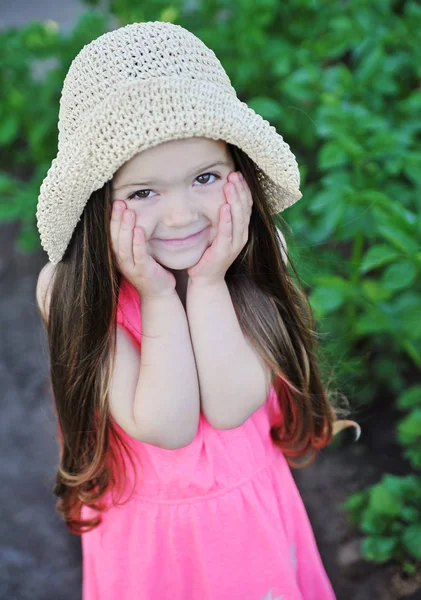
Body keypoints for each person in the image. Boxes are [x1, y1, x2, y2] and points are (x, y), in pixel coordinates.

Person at [35, 21, 360, 600]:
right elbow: (167, 424)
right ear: (95, 205)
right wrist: (159, 297)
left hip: (245, 533)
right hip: (150, 546)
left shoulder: (248, 260)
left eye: (204, 178)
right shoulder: (75, 293)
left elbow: (233, 405)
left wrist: (209, 283)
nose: (182, 217)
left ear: (239, 176)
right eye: (142, 193)